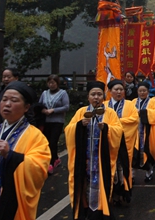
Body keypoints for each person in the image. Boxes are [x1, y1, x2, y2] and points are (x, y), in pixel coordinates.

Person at [0, 81, 50, 219]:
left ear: (26, 107)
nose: (7, 104)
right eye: (4, 99)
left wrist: (11, 156)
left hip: (10, 201)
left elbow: (39, 168)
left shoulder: (35, 136)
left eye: (14, 100)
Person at [65, 81, 124, 219]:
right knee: (84, 182)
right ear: (88, 97)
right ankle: (86, 209)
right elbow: (68, 130)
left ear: (103, 96)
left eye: (99, 94)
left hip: (101, 157)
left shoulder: (110, 113)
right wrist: (79, 125)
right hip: (85, 157)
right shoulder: (81, 112)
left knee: (102, 182)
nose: (96, 97)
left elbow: (118, 131)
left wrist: (106, 128)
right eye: (93, 94)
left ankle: (100, 209)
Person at [104, 79, 138, 205]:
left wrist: (115, 123)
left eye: (121, 89)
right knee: (109, 167)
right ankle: (112, 193)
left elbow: (134, 119)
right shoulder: (104, 105)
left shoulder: (129, 104)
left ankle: (123, 192)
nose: (119, 92)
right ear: (110, 91)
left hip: (124, 141)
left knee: (122, 166)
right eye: (116, 89)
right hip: (108, 142)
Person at [39, 74, 70, 175]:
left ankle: (51, 163)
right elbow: (39, 105)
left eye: (53, 83)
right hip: (46, 121)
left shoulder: (63, 93)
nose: (51, 85)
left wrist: (54, 110)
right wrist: (43, 110)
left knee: (53, 141)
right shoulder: (44, 93)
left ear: (57, 83)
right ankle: (55, 158)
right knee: (47, 142)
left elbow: (66, 107)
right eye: (50, 83)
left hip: (57, 121)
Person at [132, 82, 155, 182]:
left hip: (148, 132)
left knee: (148, 152)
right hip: (135, 132)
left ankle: (149, 173)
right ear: (137, 92)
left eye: (144, 91)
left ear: (148, 92)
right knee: (134, 154)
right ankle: (132, 174)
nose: (142, 93)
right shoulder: (133, 102)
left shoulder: (152, 102)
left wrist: (144, 112)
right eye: (140, 91)